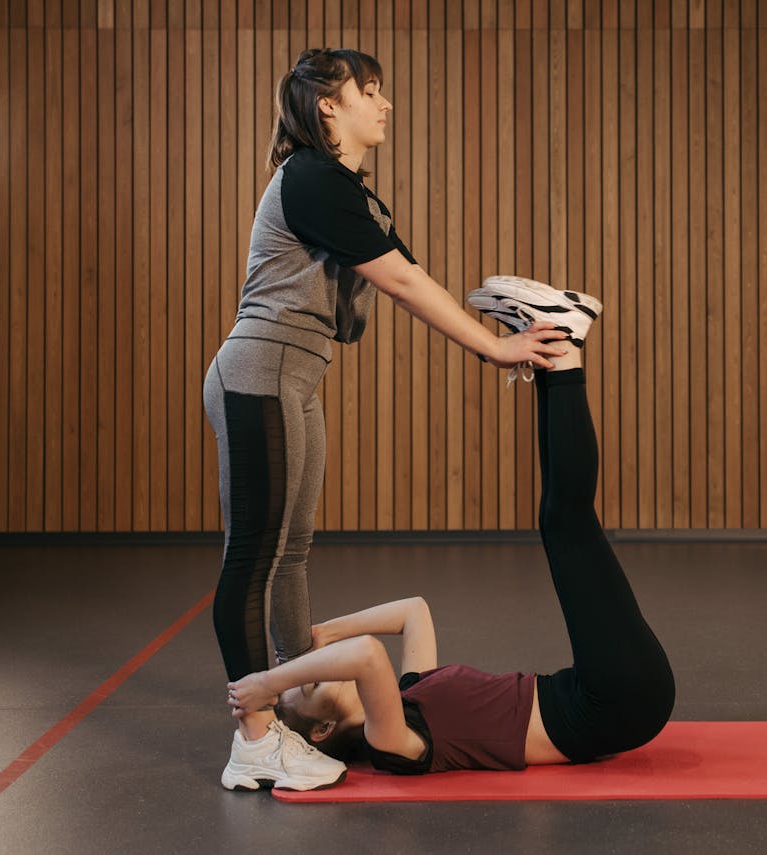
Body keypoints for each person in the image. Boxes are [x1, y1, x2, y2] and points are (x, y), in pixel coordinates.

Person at [203, 49, 569, 791]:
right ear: (327, 107)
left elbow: (404, 266)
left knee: (292, 551)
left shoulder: (351, 192)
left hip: (298, 377)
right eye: (370, 91)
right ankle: (254, 736)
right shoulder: (309, 175)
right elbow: (401, 281)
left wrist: (496, 314)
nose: (386, 103)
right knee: (254, 554)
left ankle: (292, 697)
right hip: (261, 372)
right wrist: (496, 348)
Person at [225, 279, 675, 782]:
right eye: (310, 686)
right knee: (567, 522)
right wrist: (268, 683)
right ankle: (563, 344)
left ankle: (552, 342)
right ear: (325, 729)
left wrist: (325, 632)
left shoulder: (411, 693)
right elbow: (369, 657)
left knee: (558, 519)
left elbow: (413, 612)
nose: (317, 669)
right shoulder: (392, 743)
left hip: (605, 691)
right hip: (614, 701)